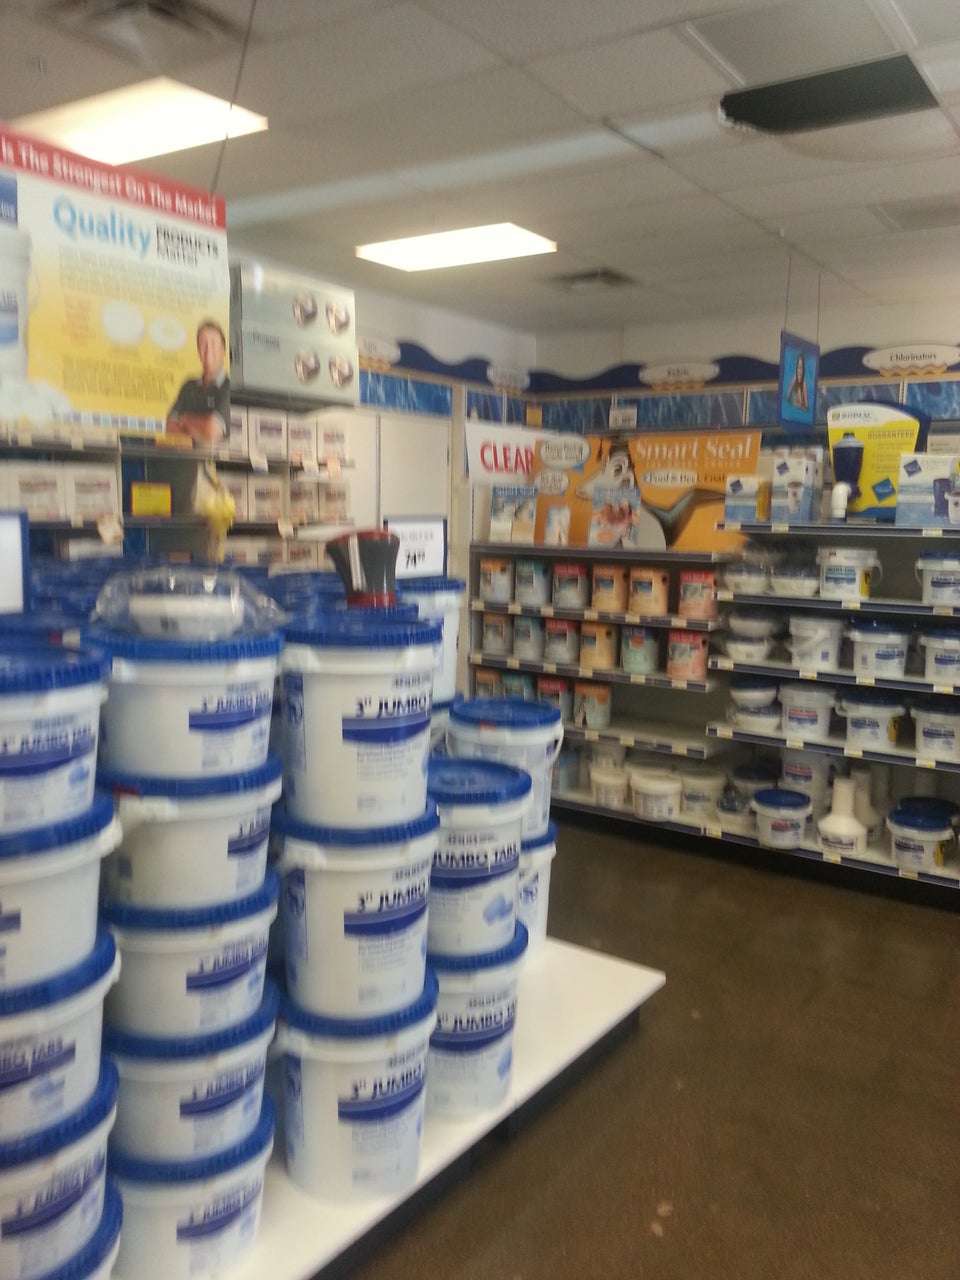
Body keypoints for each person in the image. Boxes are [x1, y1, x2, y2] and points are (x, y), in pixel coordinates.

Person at [166, 320, 230, 444]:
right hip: (184, 455)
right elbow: (169, 428)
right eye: (203, 344)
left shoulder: (228, 389)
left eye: (213, 344)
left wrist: (185, 419)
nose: (208, 350)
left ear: (223, 349)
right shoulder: (188, 386)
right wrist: (200, 430)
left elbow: (211, 431)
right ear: (198, 350)